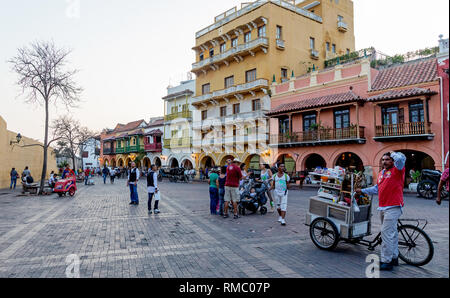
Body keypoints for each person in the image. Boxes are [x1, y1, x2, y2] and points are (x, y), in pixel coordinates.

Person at [356, 151, 407, 271]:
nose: (385, 162)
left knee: (386, 234)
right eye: (383, 160)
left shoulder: (398, 170)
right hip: (383, 207)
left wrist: (392, 153)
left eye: (387, 159)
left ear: (392, 161)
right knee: (392, 234)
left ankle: (386, 261)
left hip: (393, 207)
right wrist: (362, 191)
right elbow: (376, 189)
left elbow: (400, 159)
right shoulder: (381, 173)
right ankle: (394, 258)